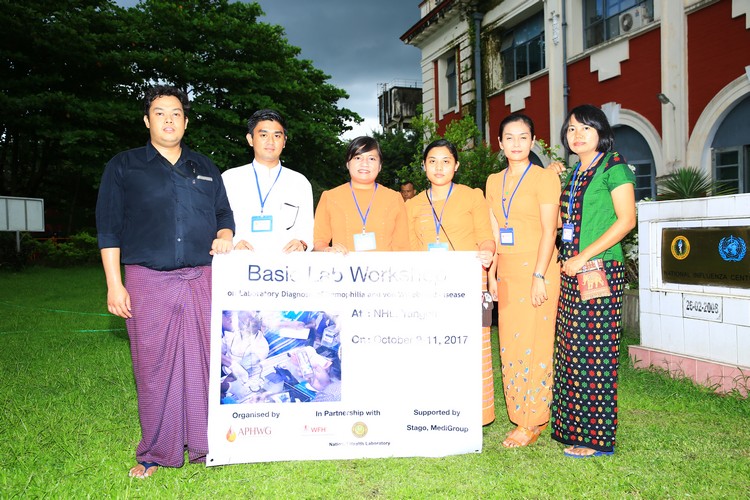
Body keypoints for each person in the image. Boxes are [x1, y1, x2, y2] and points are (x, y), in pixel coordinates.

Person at [96, 85, 235, 478]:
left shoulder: (205, 167)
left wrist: (225, 235)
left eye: (176, 113)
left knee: (204, 364)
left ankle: (207, 446)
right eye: (160, 113)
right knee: (153, 367)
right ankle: (156, 451)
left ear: (186, 122)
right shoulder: (123, 166)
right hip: (148, 280)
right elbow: (108, 228)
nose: (169, 120)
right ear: (147, 120)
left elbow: (224, 216)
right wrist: (114, 284)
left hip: (202, 278)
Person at [551, 104, 636, 458]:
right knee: (572, 350)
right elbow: (564, 221)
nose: (577, 135)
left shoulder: (613, 165)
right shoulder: (575, 173)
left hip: (599, 270)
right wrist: (551, 178)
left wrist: (583, 257)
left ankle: (596, 438)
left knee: (595, 353)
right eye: (571, 129)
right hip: (572, 271)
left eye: (586, 128)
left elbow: (626, 220)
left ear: (601, 132)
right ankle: (573, 429)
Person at [405, 138, 496, 425]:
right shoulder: (413, 204)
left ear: (456, 165)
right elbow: (409, 249)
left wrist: (488, 251)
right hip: (428, 286)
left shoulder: (472, 196)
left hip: (467, 282)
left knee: (473, 348)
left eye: (446, 161)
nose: (439, 167)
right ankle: (438, 411)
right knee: (435, 348)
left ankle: (477, 414)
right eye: (432, 161)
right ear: (424, 166)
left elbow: (486, 237)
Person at [486, 114, 562, 447]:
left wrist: (539, 275)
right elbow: (494, 231)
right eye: (509, 138)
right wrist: (491, 274)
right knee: (511, 344)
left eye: (523, 137)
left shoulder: (545, 178)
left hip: (538, 269)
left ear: (533, 142)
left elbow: (549, 230)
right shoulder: (493, 181)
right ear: (499, 143)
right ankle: (522, 412)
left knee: (535, 344)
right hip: (508, 272)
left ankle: (531, 420)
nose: (516, 144)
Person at [222, 109, 313, 253]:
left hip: (285, 263)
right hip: (240, 260)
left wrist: (302, 243)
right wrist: (232, 243)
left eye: (277, 136)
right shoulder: (229, 179)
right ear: (250, 139)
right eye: (263, 135)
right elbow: (217, 223)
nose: (271, 141)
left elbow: (307, 229)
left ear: (284, 141)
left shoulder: (300, 183)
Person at [313, 136, 409, 253]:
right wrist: (327, 250)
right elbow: (319, 241)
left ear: (380, 166)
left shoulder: (394, 198)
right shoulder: (330, 197)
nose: (365, 163)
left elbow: (402, 247)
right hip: (343, 264)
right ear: (348, 163)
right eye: (358, 157)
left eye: (372, 158)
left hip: (383, 265)